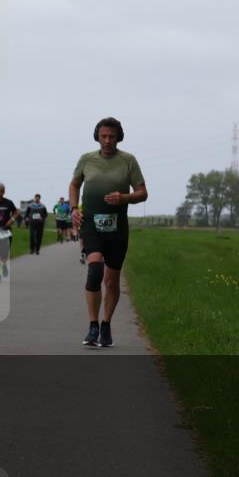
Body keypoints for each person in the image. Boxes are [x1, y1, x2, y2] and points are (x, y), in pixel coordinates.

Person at [69, 117, 148, 348]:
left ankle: (106, 324)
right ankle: (93, 325)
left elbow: (142, 193)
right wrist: (74, 209)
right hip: (91, 224)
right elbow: (74, 185)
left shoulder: (128, 161)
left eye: (111, 136)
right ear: (97, 136)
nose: (107, 140)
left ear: (118, 137)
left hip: (117, 228)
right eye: (103, 136)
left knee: (111, 282)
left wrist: (125, 198)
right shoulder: (87, 159)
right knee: (94, 271)